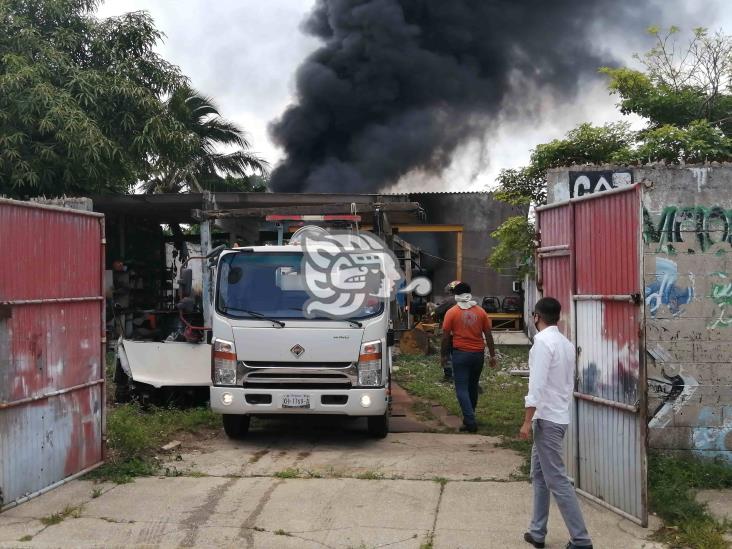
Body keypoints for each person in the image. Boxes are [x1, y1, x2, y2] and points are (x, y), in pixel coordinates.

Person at [520, 297, 593, 549]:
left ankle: (581, 539)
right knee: (540, 476)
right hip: (557, 417)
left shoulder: (542, 343)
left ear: (536, 316)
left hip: (546, 419)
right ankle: (537, 531)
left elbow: (537, 385)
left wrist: (526, 421)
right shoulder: (565, 343)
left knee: (557, 480)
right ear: (558, 317)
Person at [440, 282, 497, 432]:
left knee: (461, 388)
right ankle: (469, 417)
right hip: (478, 355)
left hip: (460, 355)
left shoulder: (451, 313)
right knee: (473, 385)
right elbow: (489, 335)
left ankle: (470, 421)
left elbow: (445, 337)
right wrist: (492, 355)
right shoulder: (481, 312)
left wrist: (443, 355)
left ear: (455, 295)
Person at [436, 280, 461, 381]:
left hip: (450, 332)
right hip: (464, 333)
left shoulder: (450, 300)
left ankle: (448, 375)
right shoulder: (468, 300)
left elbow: (437, 311)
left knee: (447, 353)